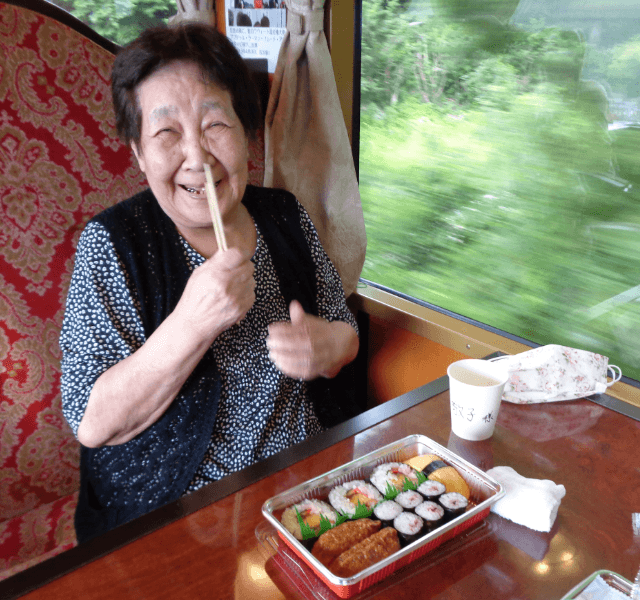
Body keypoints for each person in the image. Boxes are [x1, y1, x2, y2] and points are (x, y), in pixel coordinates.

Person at [60, 23, 359, 543]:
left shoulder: (284, 214)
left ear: (247, 134)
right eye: (166, 133)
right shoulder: (112, 243)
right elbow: (93, 421)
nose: (196, 156)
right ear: (138, 154)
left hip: (304, 484)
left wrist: (330, 344)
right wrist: (192, 323)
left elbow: (344, 331)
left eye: (215, 124)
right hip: (180, 516)